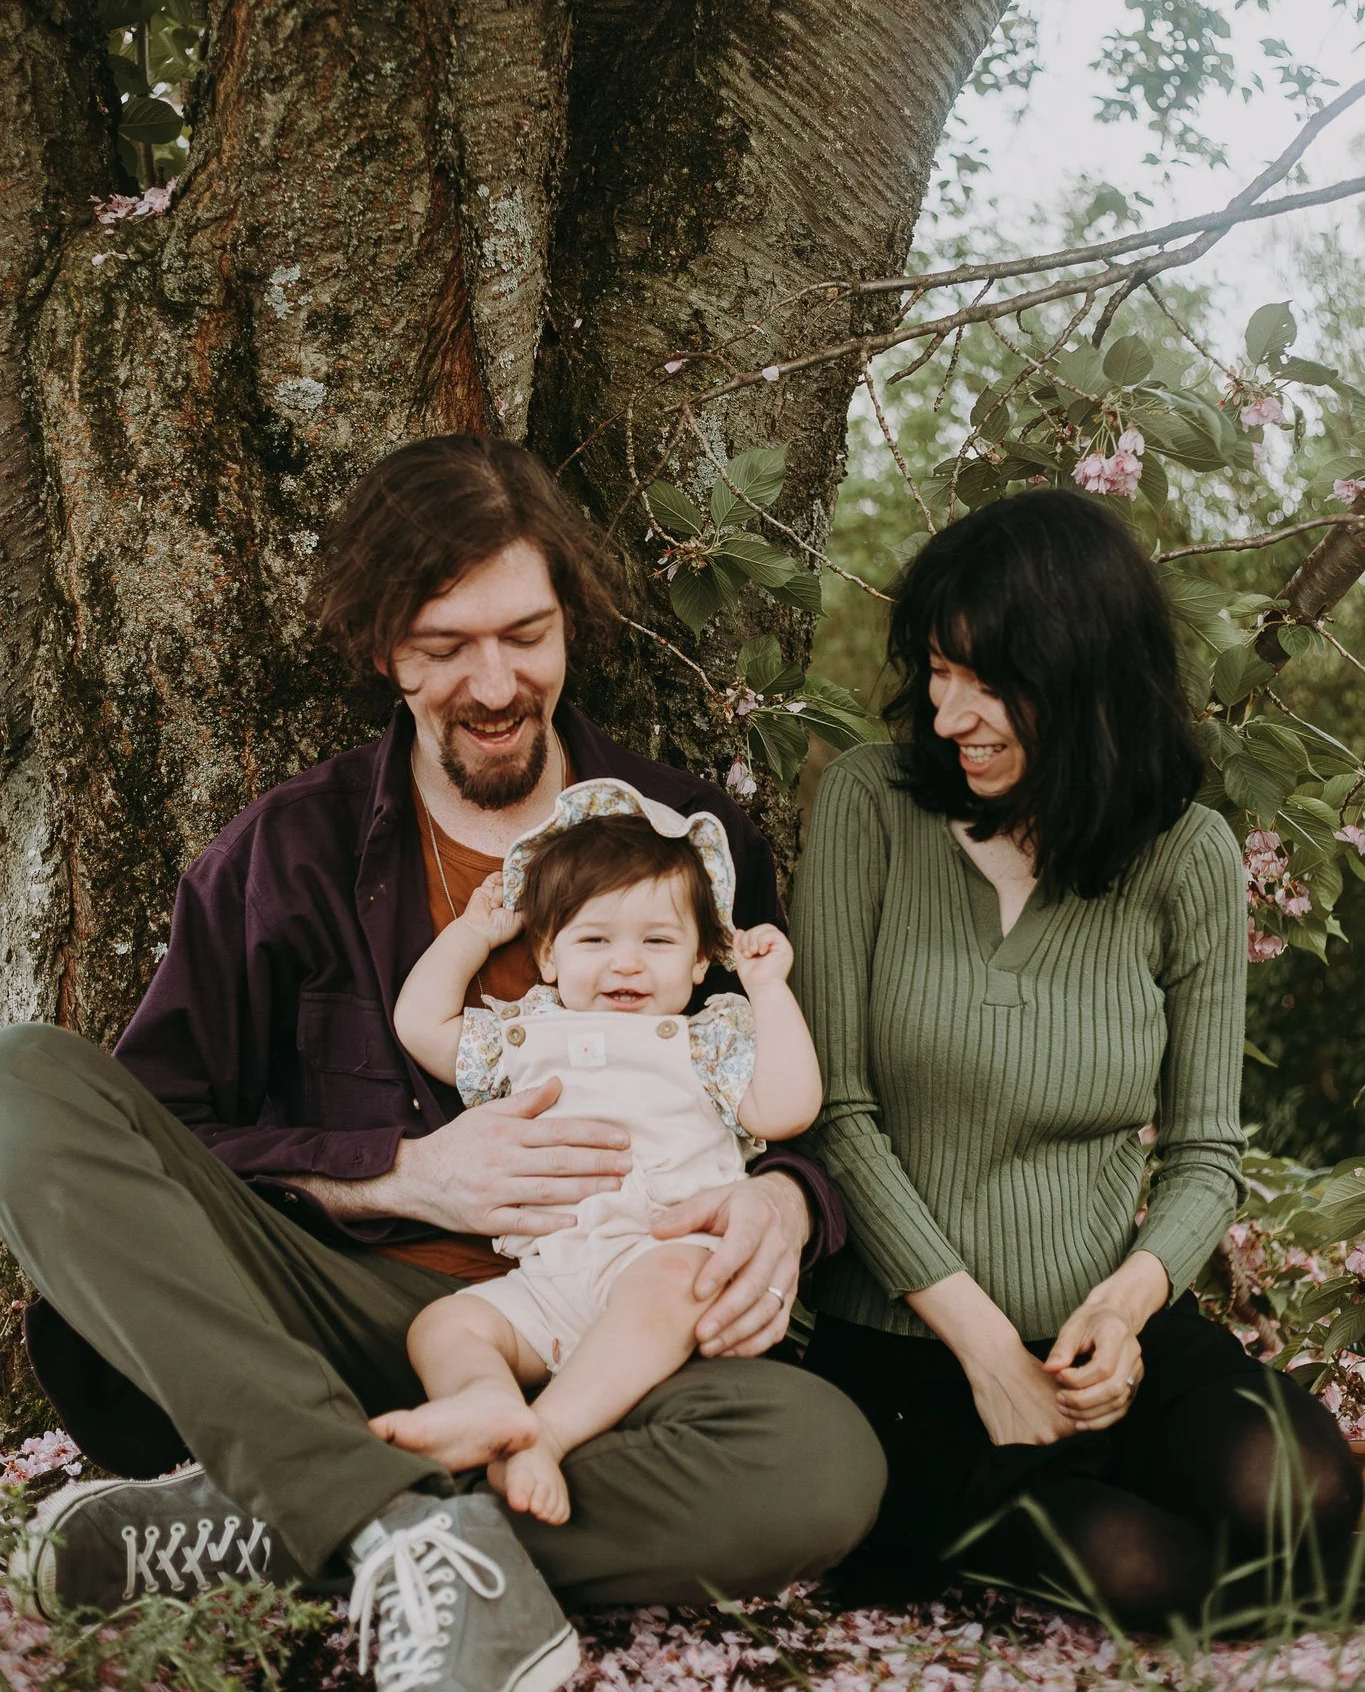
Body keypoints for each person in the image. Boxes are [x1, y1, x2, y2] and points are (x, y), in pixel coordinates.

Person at [0, 435, 884, 1692]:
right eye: (442, 643)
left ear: (569, 619)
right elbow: (159, 1132)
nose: (493, 681)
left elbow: (771, 1091)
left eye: (525, 632)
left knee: (819, 1461)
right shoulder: (286, 855)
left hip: (604, 1347)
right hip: (334, 1323)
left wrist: (785, 1201)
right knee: (19, 1077)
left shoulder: (689, 834)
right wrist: (395, 1175)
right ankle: (388, 1524)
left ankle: (284, 1518)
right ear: (378, 646)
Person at [792, 488, 1361, 1631]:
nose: (950, 715)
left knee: (1303, 1495)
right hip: (914, 1354)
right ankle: (1033, 1513)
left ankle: (1131, 1467)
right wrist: (990, 1346)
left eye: (989, 681)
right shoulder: (869, 806)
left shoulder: (1187, 853)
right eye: (937, 673)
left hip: (1110, 1341)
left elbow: (1206, 1153)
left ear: (1088, 676)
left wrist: (1132, 1295)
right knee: (1153, 1579)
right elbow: (836, 1111)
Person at [369, 783, 822, 1525]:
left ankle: (545, 1434)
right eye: (593, 939)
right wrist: (472, 937)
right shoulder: (525, 1036)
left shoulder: (706, 1042)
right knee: (444, 1326)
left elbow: (788, 1108)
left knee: (685, 1273)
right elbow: (421, 1024)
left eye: (656, 941)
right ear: (546, 955)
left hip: (659, 1260)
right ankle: (483, 1400)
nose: (625, 965)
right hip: (552, 1279)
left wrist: (769, 990)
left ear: (702, 960)